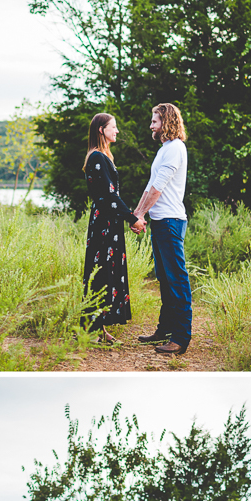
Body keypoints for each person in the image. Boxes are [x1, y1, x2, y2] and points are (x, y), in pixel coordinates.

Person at [130, 104, 191, 355]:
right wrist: (136, 214)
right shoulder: (165, 149)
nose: (151, 125)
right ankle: (164, 330)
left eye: (155, 121)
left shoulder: (175, 148)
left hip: (170, 222)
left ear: (166, 122)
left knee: (177, 279)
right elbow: (150, 186)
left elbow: (159, 188)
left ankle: (180, 338)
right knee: (164, 279)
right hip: (160, 222)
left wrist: (141, 213)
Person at [82, 113, 140, 344]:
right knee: (101, 272)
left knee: (106, 272)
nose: (116, 131)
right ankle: (91, 330)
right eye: (113, 127)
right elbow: (108, 196)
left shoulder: (103, 157)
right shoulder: (96, 157)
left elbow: (111, 196)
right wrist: (132, 217)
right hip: (104, 223)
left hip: (109, 222)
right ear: (101, 130)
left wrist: (128, 217)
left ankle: (99, 330)